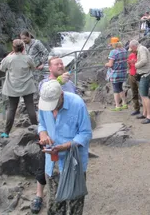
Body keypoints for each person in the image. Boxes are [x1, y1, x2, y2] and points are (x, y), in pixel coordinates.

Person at [38, 80, 92, 215]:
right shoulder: (44, 103)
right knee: (55, 204)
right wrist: (43, 134)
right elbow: (42, 124)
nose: (51, 109)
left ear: (61, 95)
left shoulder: (77, 104)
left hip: (73, 162)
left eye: (54, 105)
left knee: (74, 205)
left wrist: (65, 146)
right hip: (52, 162)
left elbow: (86, 133)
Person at [30, 57, 76, 214]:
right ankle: (39, 195)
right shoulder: (45, 83)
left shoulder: (69, 83)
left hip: (69, 133)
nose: (61, 65)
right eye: (57, 64)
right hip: (50, 133)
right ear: (50, 68)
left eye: (62, 63)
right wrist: (59, 81)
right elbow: (45, 92)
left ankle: (67, 194)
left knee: (69, 165)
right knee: (44, 163)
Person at [0, 39, 37, 138]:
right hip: (27, 86)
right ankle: (37, 129)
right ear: (23, 48)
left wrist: (8, 55)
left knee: (12, 109)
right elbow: (33, 68)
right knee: (30, 107)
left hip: (13, 87)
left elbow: (2, 68)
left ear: (13, 48)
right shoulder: (27, 58)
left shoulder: (9, 59)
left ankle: (6, 133)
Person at [129, 40, 150, 124]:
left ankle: (149, 116)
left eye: (132, 49)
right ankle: (144, 113)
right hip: (144, 74)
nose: (132, 50)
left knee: (144, 96)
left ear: (133, 46)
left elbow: (144, 60)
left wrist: (135, 65)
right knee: (142, 96)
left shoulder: (141, 49)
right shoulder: (142, 49)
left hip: (145, 75)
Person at [105, 38, 128, 111]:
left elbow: (110, 64)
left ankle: (117, 106)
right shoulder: (124, 50)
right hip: (123, 72)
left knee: (115, 90)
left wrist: (106, 64)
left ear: (113, 44)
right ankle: (124, 103)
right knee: (120, 88)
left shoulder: (113, 52)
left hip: (115, 73)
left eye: (111, 44)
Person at [128, 50, 141, 116]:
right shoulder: (131, 55)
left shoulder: (140, 54)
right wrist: (129, 63)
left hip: (139, 75)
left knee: (143, 93)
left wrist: (135, 62)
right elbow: (129, 65)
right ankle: (136, 109)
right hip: (131, 75)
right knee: (134, 93)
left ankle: (147, 110)